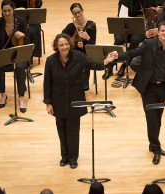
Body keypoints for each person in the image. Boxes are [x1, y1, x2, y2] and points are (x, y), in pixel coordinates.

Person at [111, 20, 165, 164]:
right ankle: (156, 148)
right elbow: (133, 53)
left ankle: (152, 144)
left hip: (163, 87)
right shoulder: (149, 44)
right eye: (162, 31)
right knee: (151, 119)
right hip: (148, 87)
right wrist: (119, 56)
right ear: (158, 32)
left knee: (158, 119)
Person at [43, 33, 115, 168]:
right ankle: (64, 157)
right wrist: (48, 103)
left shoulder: (78, 56)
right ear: (56, 47)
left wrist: (106, 61)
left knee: (73, 130)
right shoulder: (51, 60)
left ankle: (73, 157)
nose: (64, 47)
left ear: (69, 44)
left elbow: (93, 64)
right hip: (58, 100)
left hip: (75, 99)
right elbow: (47, 82)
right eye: (61, 45)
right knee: (61, 129)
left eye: (66, 44)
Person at [102, 0, 163, 80]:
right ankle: (110, 67)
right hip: (126, 24)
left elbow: (160, 5)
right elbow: (121, 15)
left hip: (142, 25)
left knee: (135, 40)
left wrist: (159, 8)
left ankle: (124, 65)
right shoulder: (124, 1)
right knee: (119, 40)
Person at [0, 0, 28, 113]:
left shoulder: (20, 22)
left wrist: (24, 35)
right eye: (4, 11)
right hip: (2, 53)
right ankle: (3, 94)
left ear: (13, 10)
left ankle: (21, 97)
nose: (7, 13)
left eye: (9, 11)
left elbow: (29, 41)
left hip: (18, 54)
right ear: (2, 11)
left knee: (20, 67)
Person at [131, 0, 165, 72]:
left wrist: (161, 31)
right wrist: (148, 33)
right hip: (156, 49)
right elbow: (151, 29)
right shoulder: (159, 16)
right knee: (135, 64)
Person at [62, 3, 96, 91]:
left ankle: (85, 82)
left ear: (82, 10)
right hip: (74, 50)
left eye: (79, 12)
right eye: (75, 13)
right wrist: (75, 44)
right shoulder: (71, 26)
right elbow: (62, 38)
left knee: (85, 58)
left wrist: (87, 38)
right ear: (72, 14)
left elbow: (93, 44)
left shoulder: (91, 25)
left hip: (87, 51)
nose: (77, 15)